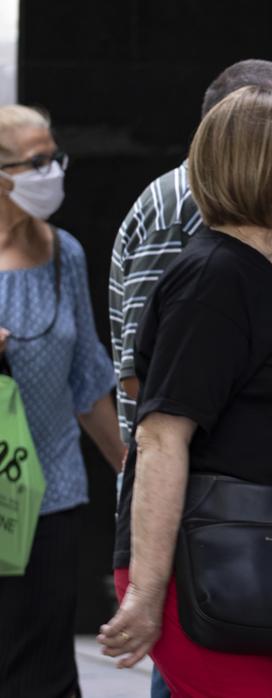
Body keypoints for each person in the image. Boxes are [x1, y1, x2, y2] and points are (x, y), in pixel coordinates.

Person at [106, 61, 272, 697]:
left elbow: (259, 422)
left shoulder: (266, 274)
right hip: (188, 566)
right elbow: (163, 437)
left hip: (243, 557)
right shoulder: (214, 279)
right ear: (260, 168)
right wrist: (146, 594)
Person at [0, 105, 126, 697]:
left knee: (45, 662)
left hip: (52, 492)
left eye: (56, 158)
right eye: (37, 161)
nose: (52, 173)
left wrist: (137, 470)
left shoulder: (65, 255)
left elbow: (88, 380)